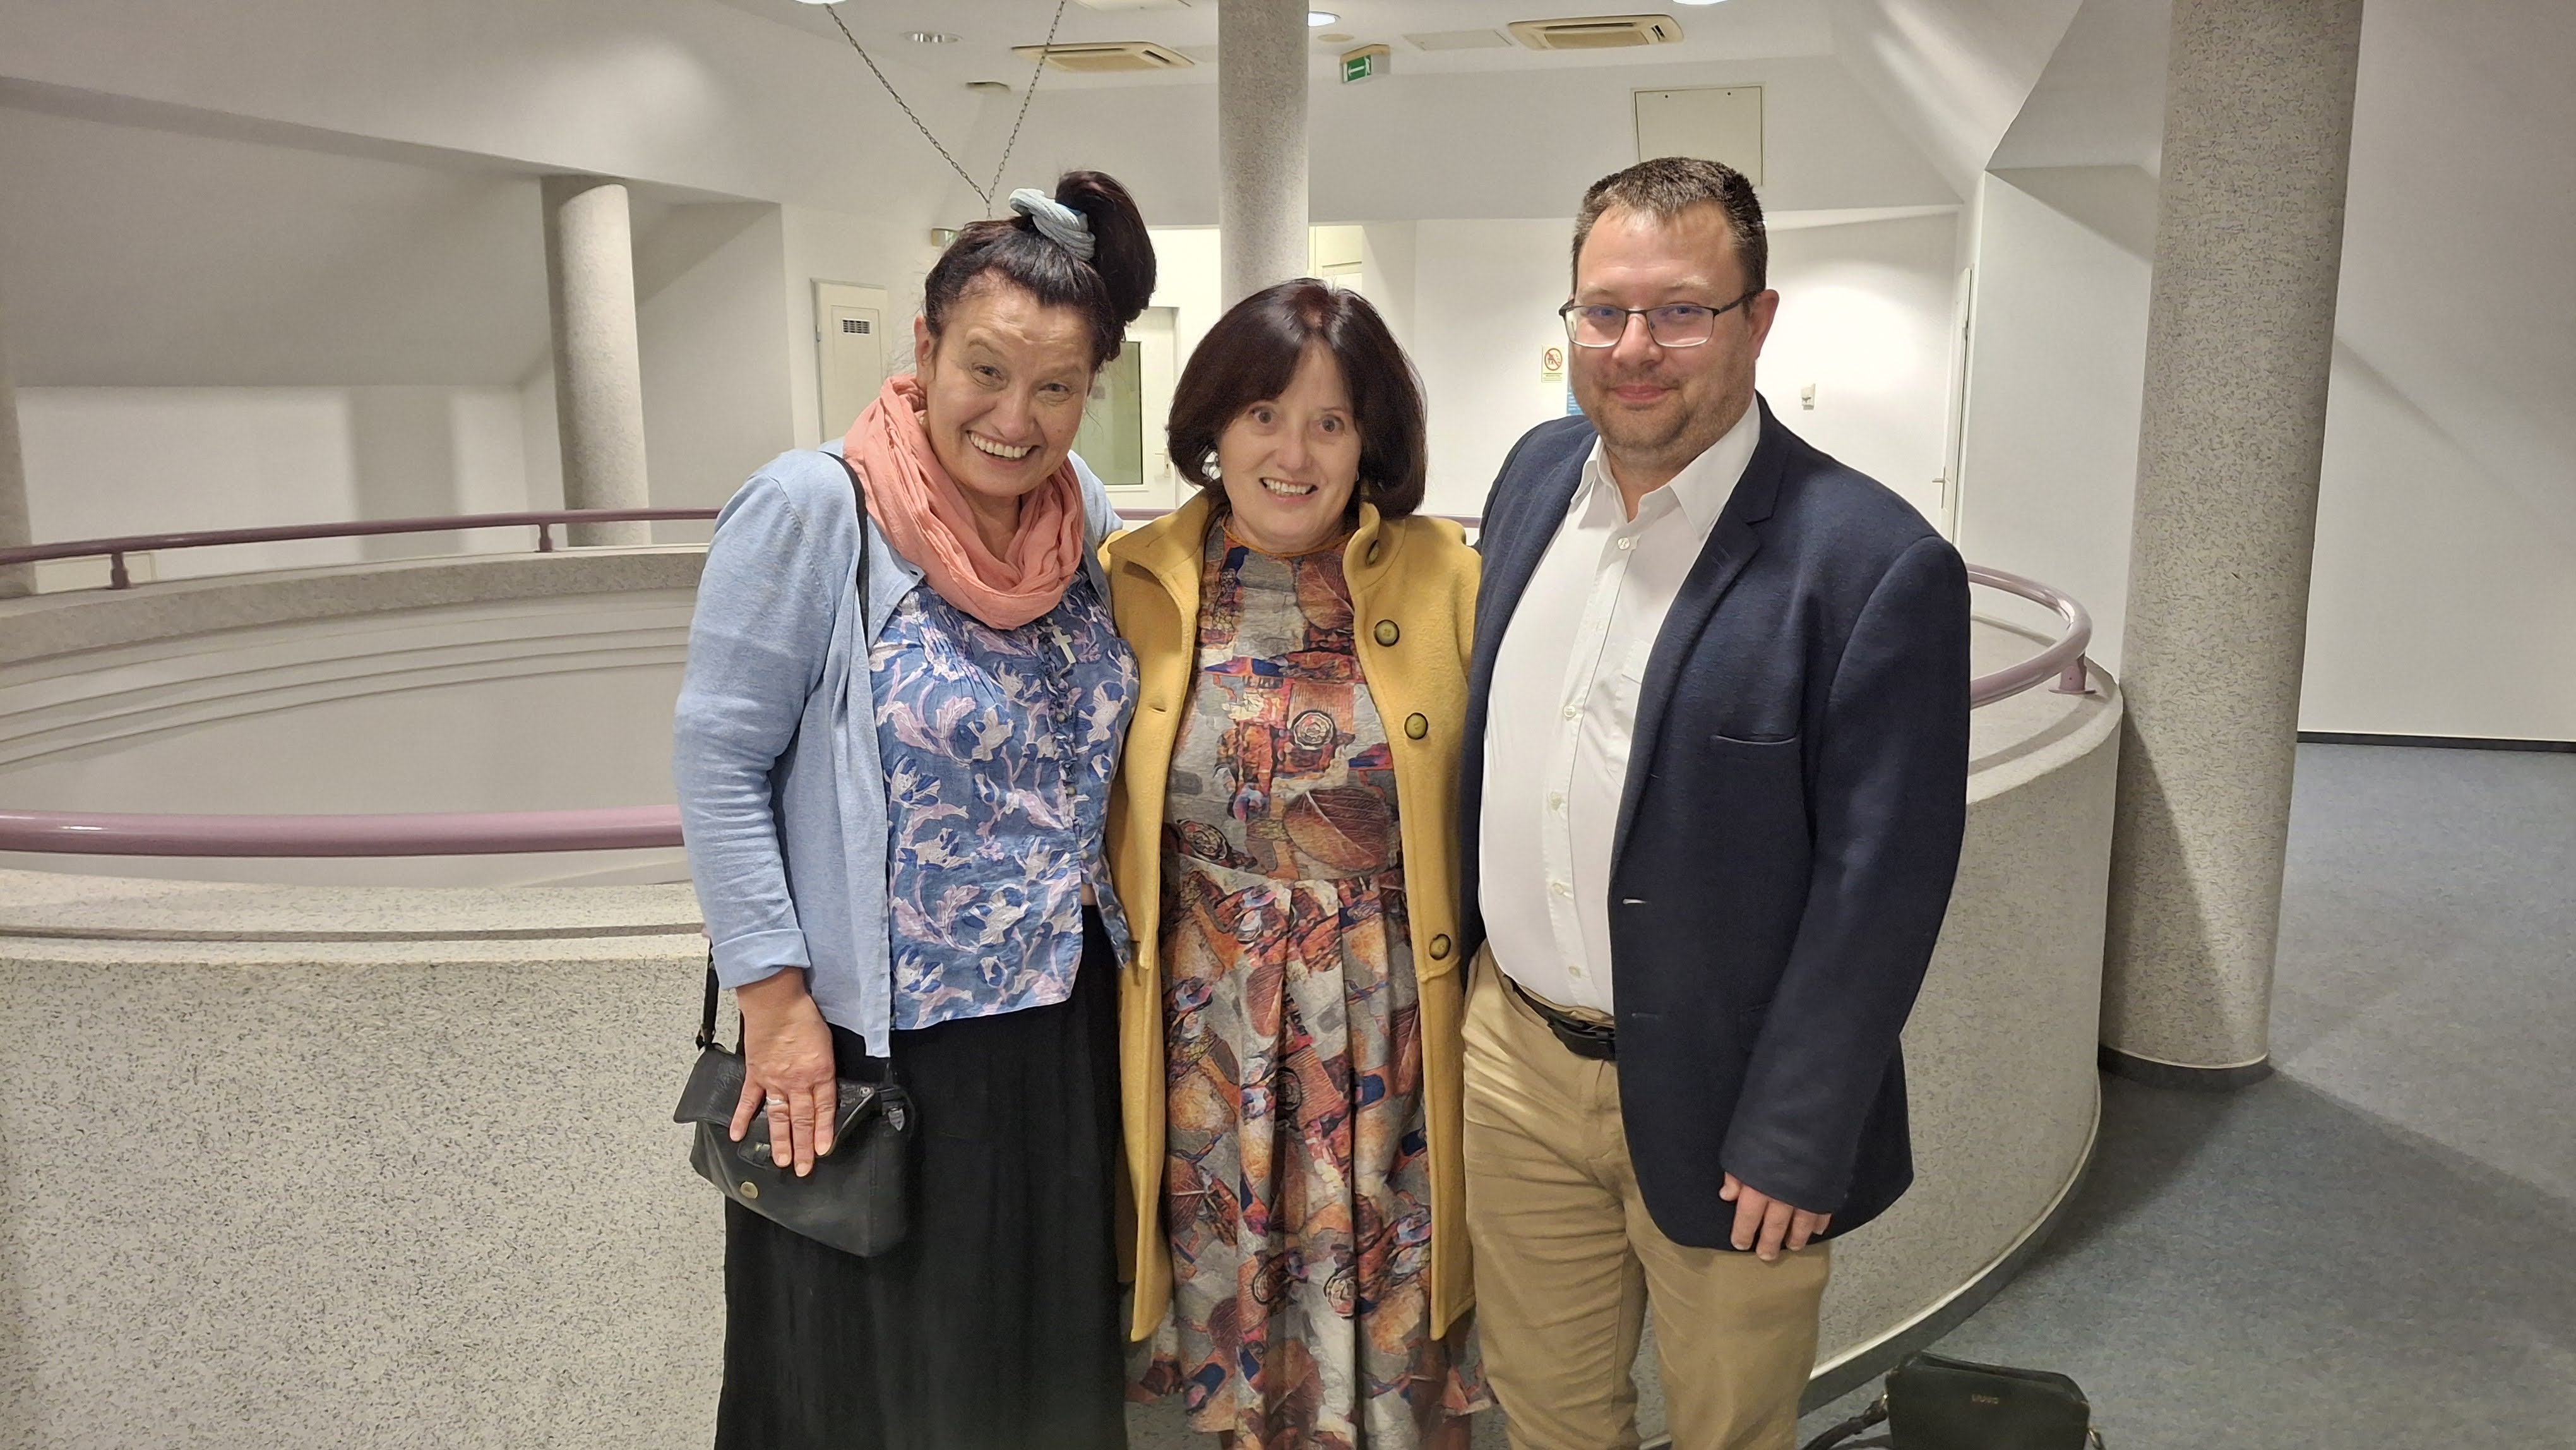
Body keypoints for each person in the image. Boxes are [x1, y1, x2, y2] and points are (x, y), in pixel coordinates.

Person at [1457, 157, 1972, 1449]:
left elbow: (1883, 882)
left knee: (1729, 1429)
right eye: (1604, 310)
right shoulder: (1532, 481)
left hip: (1732, 1095)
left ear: (1758, 319)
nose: (1635, 348)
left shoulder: (1870, 560)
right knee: (1545, 1413)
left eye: (1681, 310)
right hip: (1516, 1065)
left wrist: (1801, 1130)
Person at [672, 171, 1155, 1450]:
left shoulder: (1081, 517)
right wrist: (778, 1007)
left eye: (1056, 388)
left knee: (1033, 1363)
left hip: (1055, 1026)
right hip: (879, 1045)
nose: (1015, 418)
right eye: (986, 371)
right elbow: (718, 763)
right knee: (875, 1375)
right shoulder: (815, 509)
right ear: (926, 347)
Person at [1106, 279, 1488, 1449]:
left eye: (1331, 422)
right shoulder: (1131, 578)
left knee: (1394, 1307)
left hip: (1385, 1025)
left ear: (1370, 440)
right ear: (1214, 426)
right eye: (1264, 414)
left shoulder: (1450, 577)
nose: (1293, 453)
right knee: (1231, 1298)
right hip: (1206, 1022)